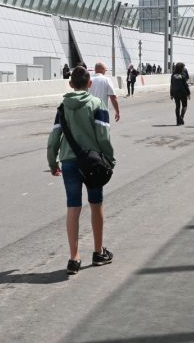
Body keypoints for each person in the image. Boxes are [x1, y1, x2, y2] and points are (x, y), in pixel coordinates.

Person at [47, 66, 115, 275]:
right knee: (96, 205)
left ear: (70, 84)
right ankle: (98, 252)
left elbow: (53, 140)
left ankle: (74, 257)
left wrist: (52, 163)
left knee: (73, 208)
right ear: (90, 84)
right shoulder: (97, 104)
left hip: (69, 163)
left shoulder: (62, 108)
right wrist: (109, 160)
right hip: (93, 164)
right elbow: (103, 137)